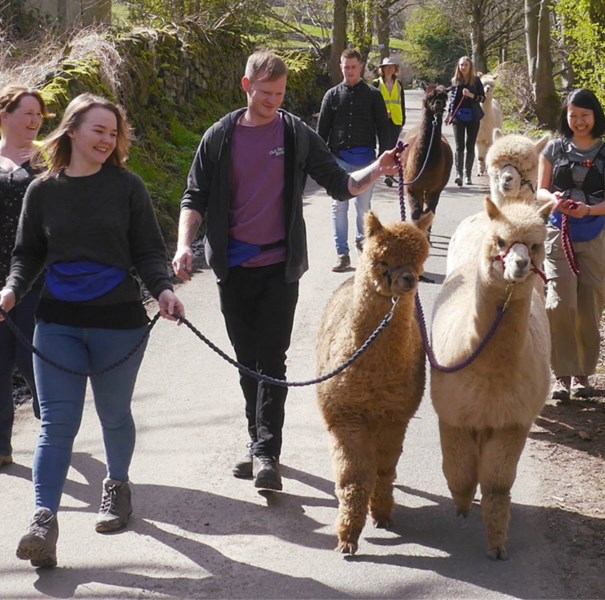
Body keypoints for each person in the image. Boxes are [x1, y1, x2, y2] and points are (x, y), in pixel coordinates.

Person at [172, 48, 400, 493]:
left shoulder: (295, 133)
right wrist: (184, 246)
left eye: (279, 94)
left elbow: (341, 183)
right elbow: (193, 196)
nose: (273, 101)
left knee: (271, 360)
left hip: (280, 266)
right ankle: (257, 440)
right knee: (246, 360)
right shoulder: (219, 137)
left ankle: (266, 454)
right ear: (246, 86)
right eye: (265, 93)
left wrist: (378, 168)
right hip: (233, 268)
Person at [0, 93, 184, 568]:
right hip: (56, 321)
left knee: (113, 413)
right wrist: (12, 290)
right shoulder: (43, 190)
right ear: (73, 130)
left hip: (117, 322)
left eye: (113, 132)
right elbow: (27, 254)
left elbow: (147, 250)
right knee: (57, 423)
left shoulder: (127, 188)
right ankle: (43, 519)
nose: (107, 139)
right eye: (98, 130)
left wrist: (162, 289)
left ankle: (116, 485)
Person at [536, 89, 605, 400]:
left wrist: (589, 210)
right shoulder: (553, 149)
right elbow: (540, 191)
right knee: (560, 304)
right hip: (558, 232)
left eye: (584, 116)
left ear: (595, 117)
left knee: (589, 305)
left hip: (594, 234)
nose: (578, 122)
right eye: (573, 116)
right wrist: (555, 201)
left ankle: (582, 374)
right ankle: (561, 374)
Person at [0, 85, 49, 467]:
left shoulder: (49, 160)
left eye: (38, 114)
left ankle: (51, 419)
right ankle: (2, 446)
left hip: (37, 274)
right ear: (5, 115)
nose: (34, 120)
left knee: (31, 354)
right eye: (27, 112)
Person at [318, 48, 390, 272]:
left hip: (366, 161)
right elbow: (321, 131)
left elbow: (383, 129)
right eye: (345, 67)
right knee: (338, 208)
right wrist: (321, 162)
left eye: (353, 67)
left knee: (363, 209)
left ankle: (364, 251)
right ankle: (342, 254)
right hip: (339, 161)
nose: (349, 71)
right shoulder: (331, 96)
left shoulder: (373, 95)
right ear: (340, 67)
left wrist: (384, 159)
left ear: (360, 67)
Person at [446, 56, 485, 186]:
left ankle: (468, 175)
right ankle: (459, 174)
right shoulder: (455, 81)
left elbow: (482, 99)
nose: (463, 67)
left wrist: (471, 95)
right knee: (459, 146)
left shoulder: (476, 81)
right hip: (458, 117)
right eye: (461, 65)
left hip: (473, 117)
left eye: (465, 65)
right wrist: (449, 115)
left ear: (470, 67)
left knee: (470, 146)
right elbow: (452, 101)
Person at [373, 57, 406, 187]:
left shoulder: (399, 84)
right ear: (382, 69)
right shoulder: (376, 83)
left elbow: (401, 102)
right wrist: (381, 113)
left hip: (396, 119)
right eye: (387, 67)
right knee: (383, 146)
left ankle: (389, 175)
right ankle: (379, 171)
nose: (389, 69)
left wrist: (403, 120)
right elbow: (373, 103)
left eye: (392, 67)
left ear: (395, 69)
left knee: (392, 147)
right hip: (382, 119)